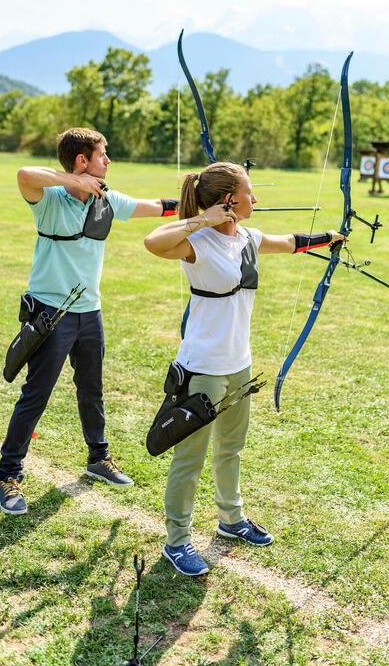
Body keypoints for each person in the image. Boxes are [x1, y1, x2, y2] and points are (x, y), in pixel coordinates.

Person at [143, 161, 345, 575]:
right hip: (201, 368)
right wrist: (202, 219)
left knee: (230, 449)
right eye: (249, 192)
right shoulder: (196, 241)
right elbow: (152, 241)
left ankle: (231, 520)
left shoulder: (250, 237)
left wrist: (330, 237)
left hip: (239, 364)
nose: (257, 199)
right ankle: (177, 540)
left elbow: (289, 241)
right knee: (190, 459)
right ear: (228, 200)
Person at [0, 127, 178, 515]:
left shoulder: (108, 201)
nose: (108, 161)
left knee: (91, 389)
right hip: (51, 313)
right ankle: (9, 475)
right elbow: (25, 174)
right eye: (102, 154)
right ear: (83, 161)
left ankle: (98, 458)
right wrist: (73, 181)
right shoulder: (51, 200)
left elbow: (157, 206)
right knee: (36, 396)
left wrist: (198, 202)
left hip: (89, 313)